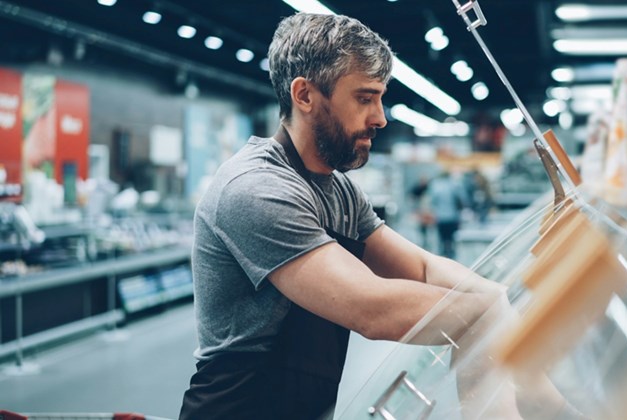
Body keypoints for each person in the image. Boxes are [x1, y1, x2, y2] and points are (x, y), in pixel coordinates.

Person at [178, 13, 512, 420]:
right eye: (364, 98)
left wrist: (493, 297)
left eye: (380, 98)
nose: (381, 117)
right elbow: (371, 307)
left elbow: (421, 268)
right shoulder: (256, 188)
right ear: (304, 95)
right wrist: (480, 313)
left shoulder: (339, 190)